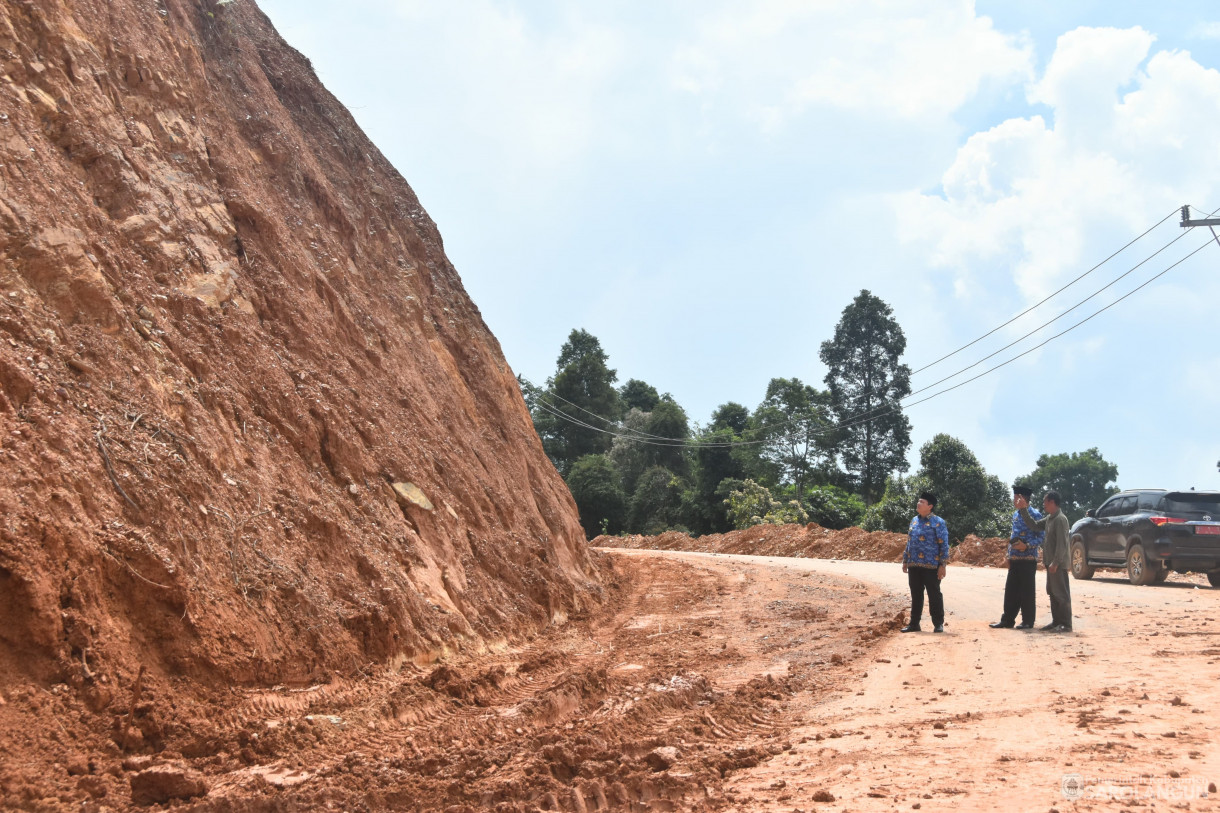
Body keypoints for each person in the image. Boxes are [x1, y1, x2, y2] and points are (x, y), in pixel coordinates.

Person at [990, 485, 1044, 630]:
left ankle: (1027, 621)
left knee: (1027, 592)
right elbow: (1013, 535)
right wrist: (1008, 555)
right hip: (1015, 558)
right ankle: (1007, 620)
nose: (1014, 501)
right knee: (1011, 591)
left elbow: (1041, 537)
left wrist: (1027, 546)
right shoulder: (1015, 514)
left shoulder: (1035, 515)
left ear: (1023, 499)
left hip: (1028, 559)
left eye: (1016, 498)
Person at [1017, 490, 1073, 632]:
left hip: (1057, 564)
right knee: (1053, 592)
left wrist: (1055, 562)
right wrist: (1023, 509)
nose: (1043, 505)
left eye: (1045, 501)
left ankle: (1066, 624)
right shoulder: (1050, 518)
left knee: (1061, 594)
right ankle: (1056, 622)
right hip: (1051, 563)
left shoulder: (1060, 519)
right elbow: (1034, 525)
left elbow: (1062, 544)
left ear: (1052, 502)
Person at [901, 491, 949, 633]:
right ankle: (914, 624)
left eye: (922, 502)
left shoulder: (938, 522)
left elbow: (944, 544)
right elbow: (909, 542)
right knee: (916, 594)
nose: (918, 503)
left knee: (934, 594)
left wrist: (943, 565)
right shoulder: (914, 521)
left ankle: (938, 623)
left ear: (930, 506)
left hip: (931, 565)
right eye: (918, 501)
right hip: (914, 564)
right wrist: (905, 560)